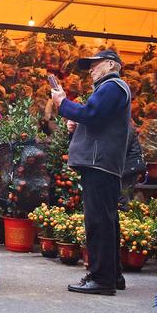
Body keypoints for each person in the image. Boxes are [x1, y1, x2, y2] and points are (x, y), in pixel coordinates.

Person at [51, 49, 131, 296]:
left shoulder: (112, 86)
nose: (91, 70)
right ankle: (112, 275)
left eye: (95, 65)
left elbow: (92, 115)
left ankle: (101, 279)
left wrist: (62, 104)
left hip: (100, 164)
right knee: (107, 222)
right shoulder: (112, 89)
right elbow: (95, 119)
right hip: (103, 163)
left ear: (110, 64)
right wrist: (78, 122)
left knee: (98, 222)